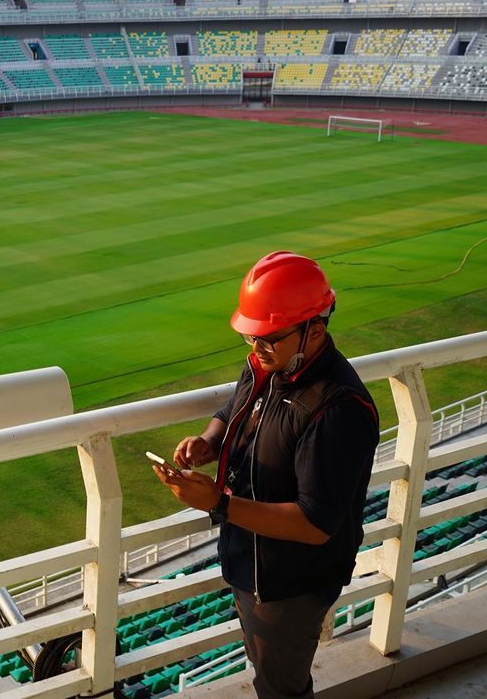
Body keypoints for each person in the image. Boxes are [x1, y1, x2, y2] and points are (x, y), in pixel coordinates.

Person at [152, 251, 379, 699]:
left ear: (315, 328)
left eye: (270, 337)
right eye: (253, 337)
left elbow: (315, 525)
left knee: (280, 689)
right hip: (251, 562)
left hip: (290, 582)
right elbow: (232, 410)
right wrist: (211, 439)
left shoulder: (338, 409)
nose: (257, 348)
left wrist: (218, 504)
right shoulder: (268, 364)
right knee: (270, 675)